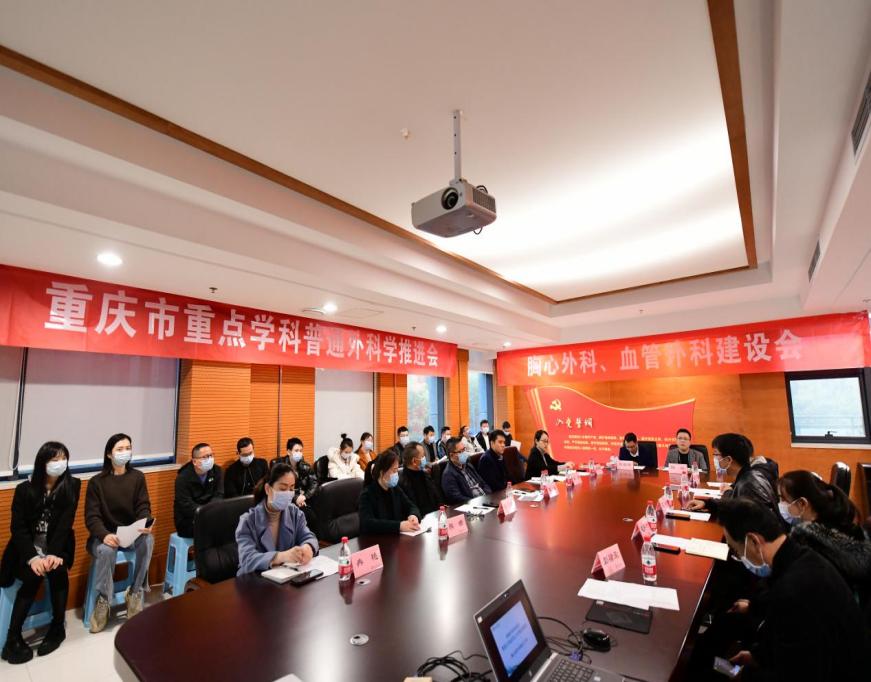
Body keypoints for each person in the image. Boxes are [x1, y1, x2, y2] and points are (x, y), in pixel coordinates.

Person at [714, 498, 868, 680]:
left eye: (736, 550)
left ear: (754, 541)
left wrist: (745, 676)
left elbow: (797, 673)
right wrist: (759, 656)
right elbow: (793, 642)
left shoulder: (794, 590)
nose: (739, 556)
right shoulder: (802, 557)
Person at [0, 442, 80, 663]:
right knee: (32, 576)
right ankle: (12, 638)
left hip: (57, 546)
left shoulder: (72, 485)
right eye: (54, 459)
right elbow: (18, 528)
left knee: (58, 571)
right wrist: (33, 557)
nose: (60, 463)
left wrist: (54, 553)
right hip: (25, 550)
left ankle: (57, 627)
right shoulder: (24, 489)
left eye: (63, 458)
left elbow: (65, 523)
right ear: (42, 463)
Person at [85, 434, 154, 633]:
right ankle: (103, 600)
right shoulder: (96, 482)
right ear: (109, 454)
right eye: (120, 449)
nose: (125, 452)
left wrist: (144, 522)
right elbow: (92, 517)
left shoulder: (137, 477)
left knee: (148, 539)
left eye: (128, 448)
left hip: (130, 534)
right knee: (107, 551)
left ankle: (135, 592)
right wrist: (104, 535)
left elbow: (143, 505)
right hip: (104, 536)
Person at [777, 470, 871, 602]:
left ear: (802, 503)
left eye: (783, 499)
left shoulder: (807, 543)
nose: (780, 504)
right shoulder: (848, 527)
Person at [235, 463, 319, 575]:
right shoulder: (248, 521)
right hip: (254, 580)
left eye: (291, 488)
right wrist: (281, 556)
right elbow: (247, 559)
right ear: (267, 489)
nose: (288, 493)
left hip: (286, 577)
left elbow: (309, 537)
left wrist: (308, 547)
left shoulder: (295, 513)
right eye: (283, 489)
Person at [686, 433, 778, 520]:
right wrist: (708, 504)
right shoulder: (746, 476)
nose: (714, 459)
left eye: (716, 454)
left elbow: (754, 521)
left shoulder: (748, 484)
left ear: (728, 460)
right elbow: (736, 504)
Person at [358, 450, 421, 534]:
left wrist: (413, 515)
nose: (396, 474)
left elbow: (411, 506)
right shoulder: (367, 494)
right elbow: (367, 524)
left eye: (397, 470)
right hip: (376, 539)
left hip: (395, 537)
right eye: (394, 471)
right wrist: (399, 526)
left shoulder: (395, 489)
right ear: (382, 473)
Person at [174, 442, 224, 538]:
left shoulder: (217, 471)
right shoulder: (183, 478)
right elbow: (186, 505)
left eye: (211, 455)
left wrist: (210, 512)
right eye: (205, 457)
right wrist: (205, 513)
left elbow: (219, 494)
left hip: (212, 513)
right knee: (213, 530)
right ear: (194, 461)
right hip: (188, 519)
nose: (209, 459)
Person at [271, 438, 320, 526]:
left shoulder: (305, 466)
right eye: (296, 450)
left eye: (301, 451)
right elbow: (278, 487)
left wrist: (304, 497)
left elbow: (314, 483)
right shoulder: (279, 466)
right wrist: (295, 498)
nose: (299, 453)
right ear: (289, 452)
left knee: (312, 517)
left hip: (302, 500)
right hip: (285, 501)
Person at [441, 437, 492, 504]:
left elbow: (483, 483)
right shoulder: (448, 474)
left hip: (485, 500)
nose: (464, 453)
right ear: (451, 455)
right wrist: (475, 502)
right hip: (472, 505)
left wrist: (488, 495)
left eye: (464, 449)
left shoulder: (468, 465)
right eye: (460, 451)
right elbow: (456, 498)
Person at [398, 442, 442, 517]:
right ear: (414, 461)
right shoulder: (403, 483)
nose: (425, 458)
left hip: (434, 515)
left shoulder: (424, 474)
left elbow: (436, 497)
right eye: (422, 456)